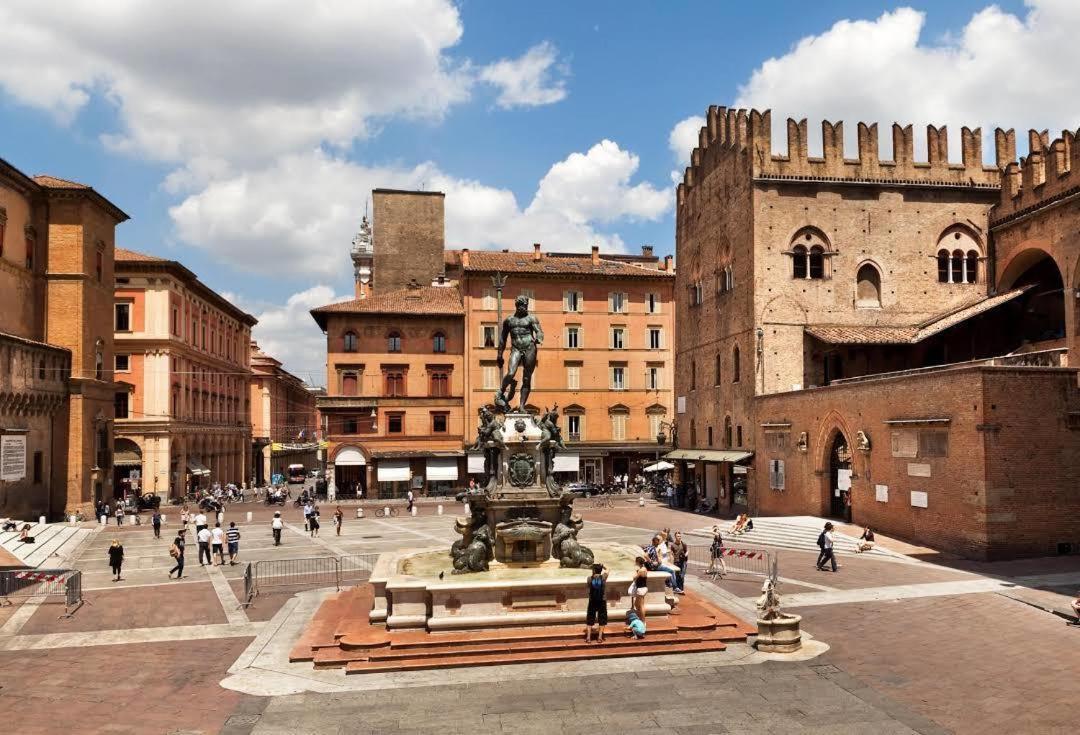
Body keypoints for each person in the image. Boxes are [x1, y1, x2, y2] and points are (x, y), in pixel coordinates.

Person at [584, 563, 609, 643]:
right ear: (601, 570)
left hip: (592, 601)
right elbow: (608, 570)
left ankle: (588, 637)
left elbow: (588, 587)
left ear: (593, 570)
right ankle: (600, 637)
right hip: (602, 600)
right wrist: (603, 566)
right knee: (602, 618)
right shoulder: (603, 578)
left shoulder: (589, 578)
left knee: (590, 618)